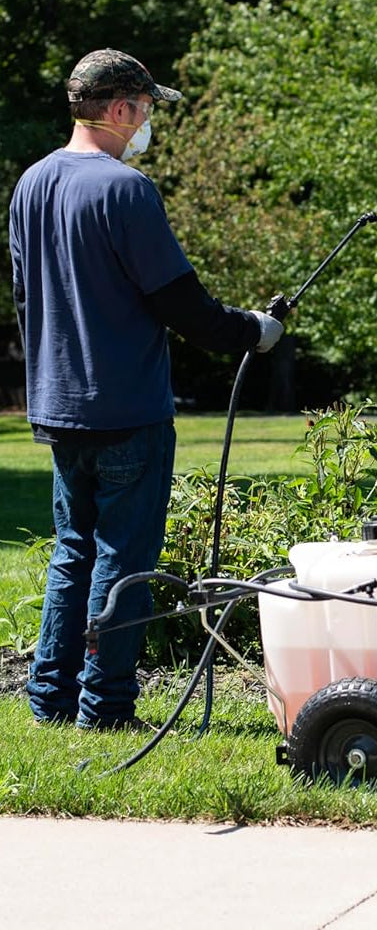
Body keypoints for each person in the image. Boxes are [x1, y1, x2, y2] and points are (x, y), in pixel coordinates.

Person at [8, 49, 284, 730]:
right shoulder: (125, 189)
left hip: (58, 406)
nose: (149, 123)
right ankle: (104, 708)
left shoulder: (32, 184)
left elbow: (26, 294)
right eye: (148, 109)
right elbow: (182, 306)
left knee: (74, 552)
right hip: (125, 406)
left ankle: (50, 700)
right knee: (123, 561)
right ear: (122, 108)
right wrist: (258, 332)